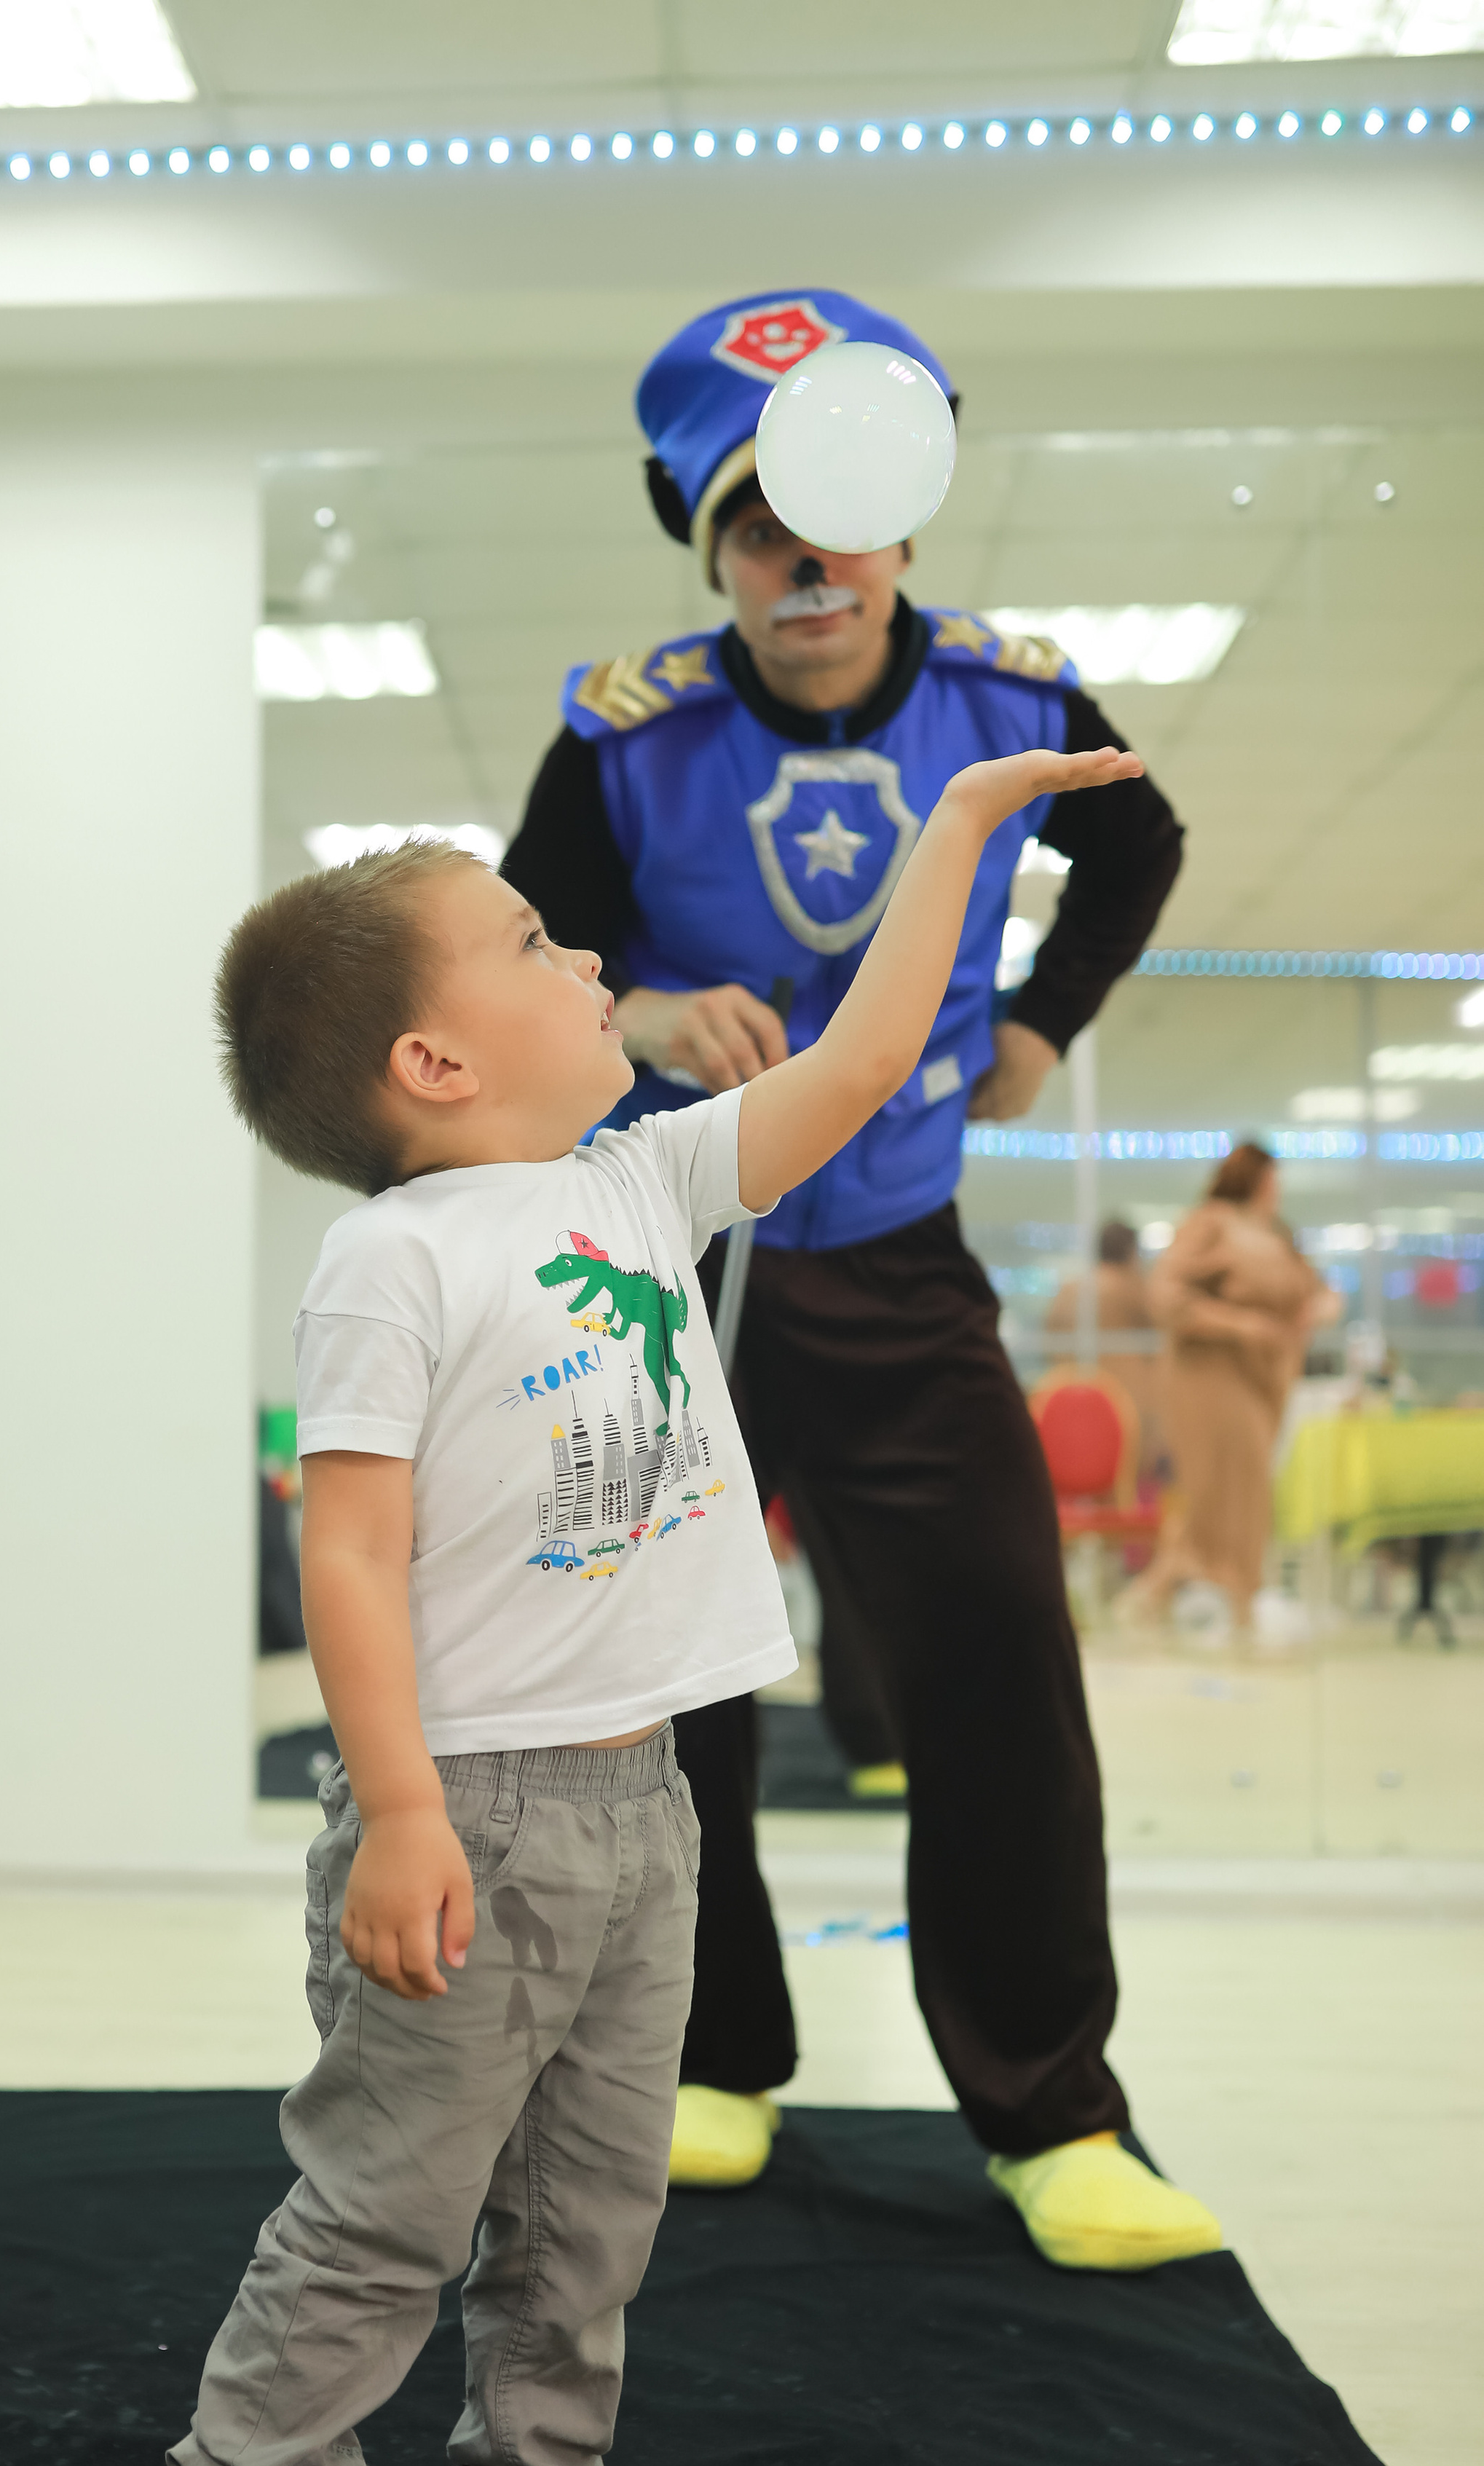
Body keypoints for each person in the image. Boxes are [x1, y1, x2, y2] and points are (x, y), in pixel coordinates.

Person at [168, 738, 1145, 2466]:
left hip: (641, 1804)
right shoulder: (394, 1261)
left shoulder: (642, 1176)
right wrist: (405, 1817)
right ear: (435, 1064)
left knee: (594, 2216)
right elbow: (346, 1559)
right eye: (532, 942)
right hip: (472, 1819)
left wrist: (962, 837)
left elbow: (862, 1071)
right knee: (389, 2210)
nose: (584, 951)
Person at [503, 288, 1220, 2272]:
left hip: (902, 1271)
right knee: (676, 1693)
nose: (803, 571)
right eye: (756, 533)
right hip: (679, 1266)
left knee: (997, 1665)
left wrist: (1044, 1024)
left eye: (836, 533)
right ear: (712, 548)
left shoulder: (1013, 702)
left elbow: (1142, 847)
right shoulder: (626, 732)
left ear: (904, 532)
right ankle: (707, 2056)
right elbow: (521, 949)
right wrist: (635, 1010)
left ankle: (1054, 2109)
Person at [1129, 1144, 1340, 1626]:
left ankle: (1169, 1593)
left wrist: (1319, 1308)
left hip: (1262, 1379)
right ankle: (1233, 1596)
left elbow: (1314, 1290)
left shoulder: (1273, 1233)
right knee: (1224, 1489)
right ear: (1258, 1177)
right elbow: (1167, 1293)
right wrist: (1238, 1324)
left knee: (1239, 1488)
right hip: (1210, 1376)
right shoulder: (1211, 1224)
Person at [1043, 1218, 1170, 1481]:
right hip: (1128, 1415)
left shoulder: (1069, 1291)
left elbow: (1050, 1344)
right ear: (1132, 1253)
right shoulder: (1134, 1289)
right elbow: (1164, 1338)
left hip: (1067, 1413)